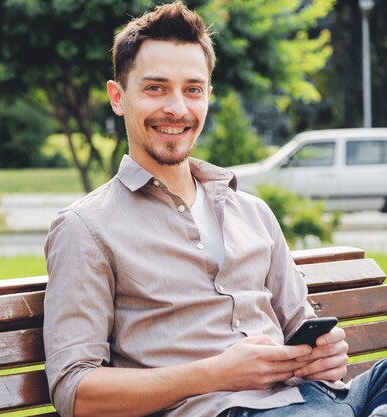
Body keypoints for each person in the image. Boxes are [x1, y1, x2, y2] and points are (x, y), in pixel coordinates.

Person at [43, 2, 387, 417]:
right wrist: (216, 374)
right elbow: (74, 391)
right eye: (155, 88)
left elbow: (302, 333)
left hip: (319, 399)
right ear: (118, 97)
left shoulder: (252, 211)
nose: (177, 108)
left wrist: (326, 355)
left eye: (193, 89)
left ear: (208, 95)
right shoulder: (85, 227)